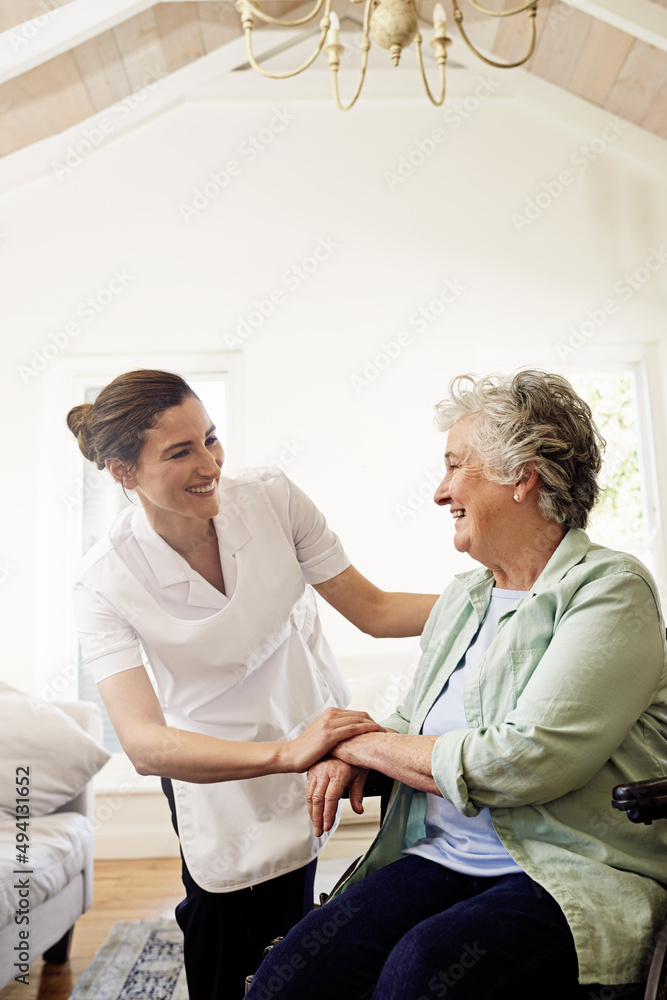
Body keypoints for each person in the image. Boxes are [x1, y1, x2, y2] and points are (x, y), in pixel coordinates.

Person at [248, 370, 667, 1000]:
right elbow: (412, 721)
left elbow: (524, 761)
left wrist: (355, 743)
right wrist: (358, 738)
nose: (441, 492)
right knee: (291, 977)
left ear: (522, 476)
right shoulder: (465, 596)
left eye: (454, 466)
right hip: (441, 854)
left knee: (421, 972)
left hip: (565, 867)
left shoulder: (607, 589)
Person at [66, 369, 437, 1000]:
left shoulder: (271, 497)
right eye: (180, 452)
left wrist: (505, 594)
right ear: (122, 472)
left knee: (292, 931)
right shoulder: (104, 581)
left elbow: (372, 610)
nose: (209, 463)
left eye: (211, 439)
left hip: (304, 732)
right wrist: (284, 756)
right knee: (221, 928)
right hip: (211, 768)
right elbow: (145, 742)